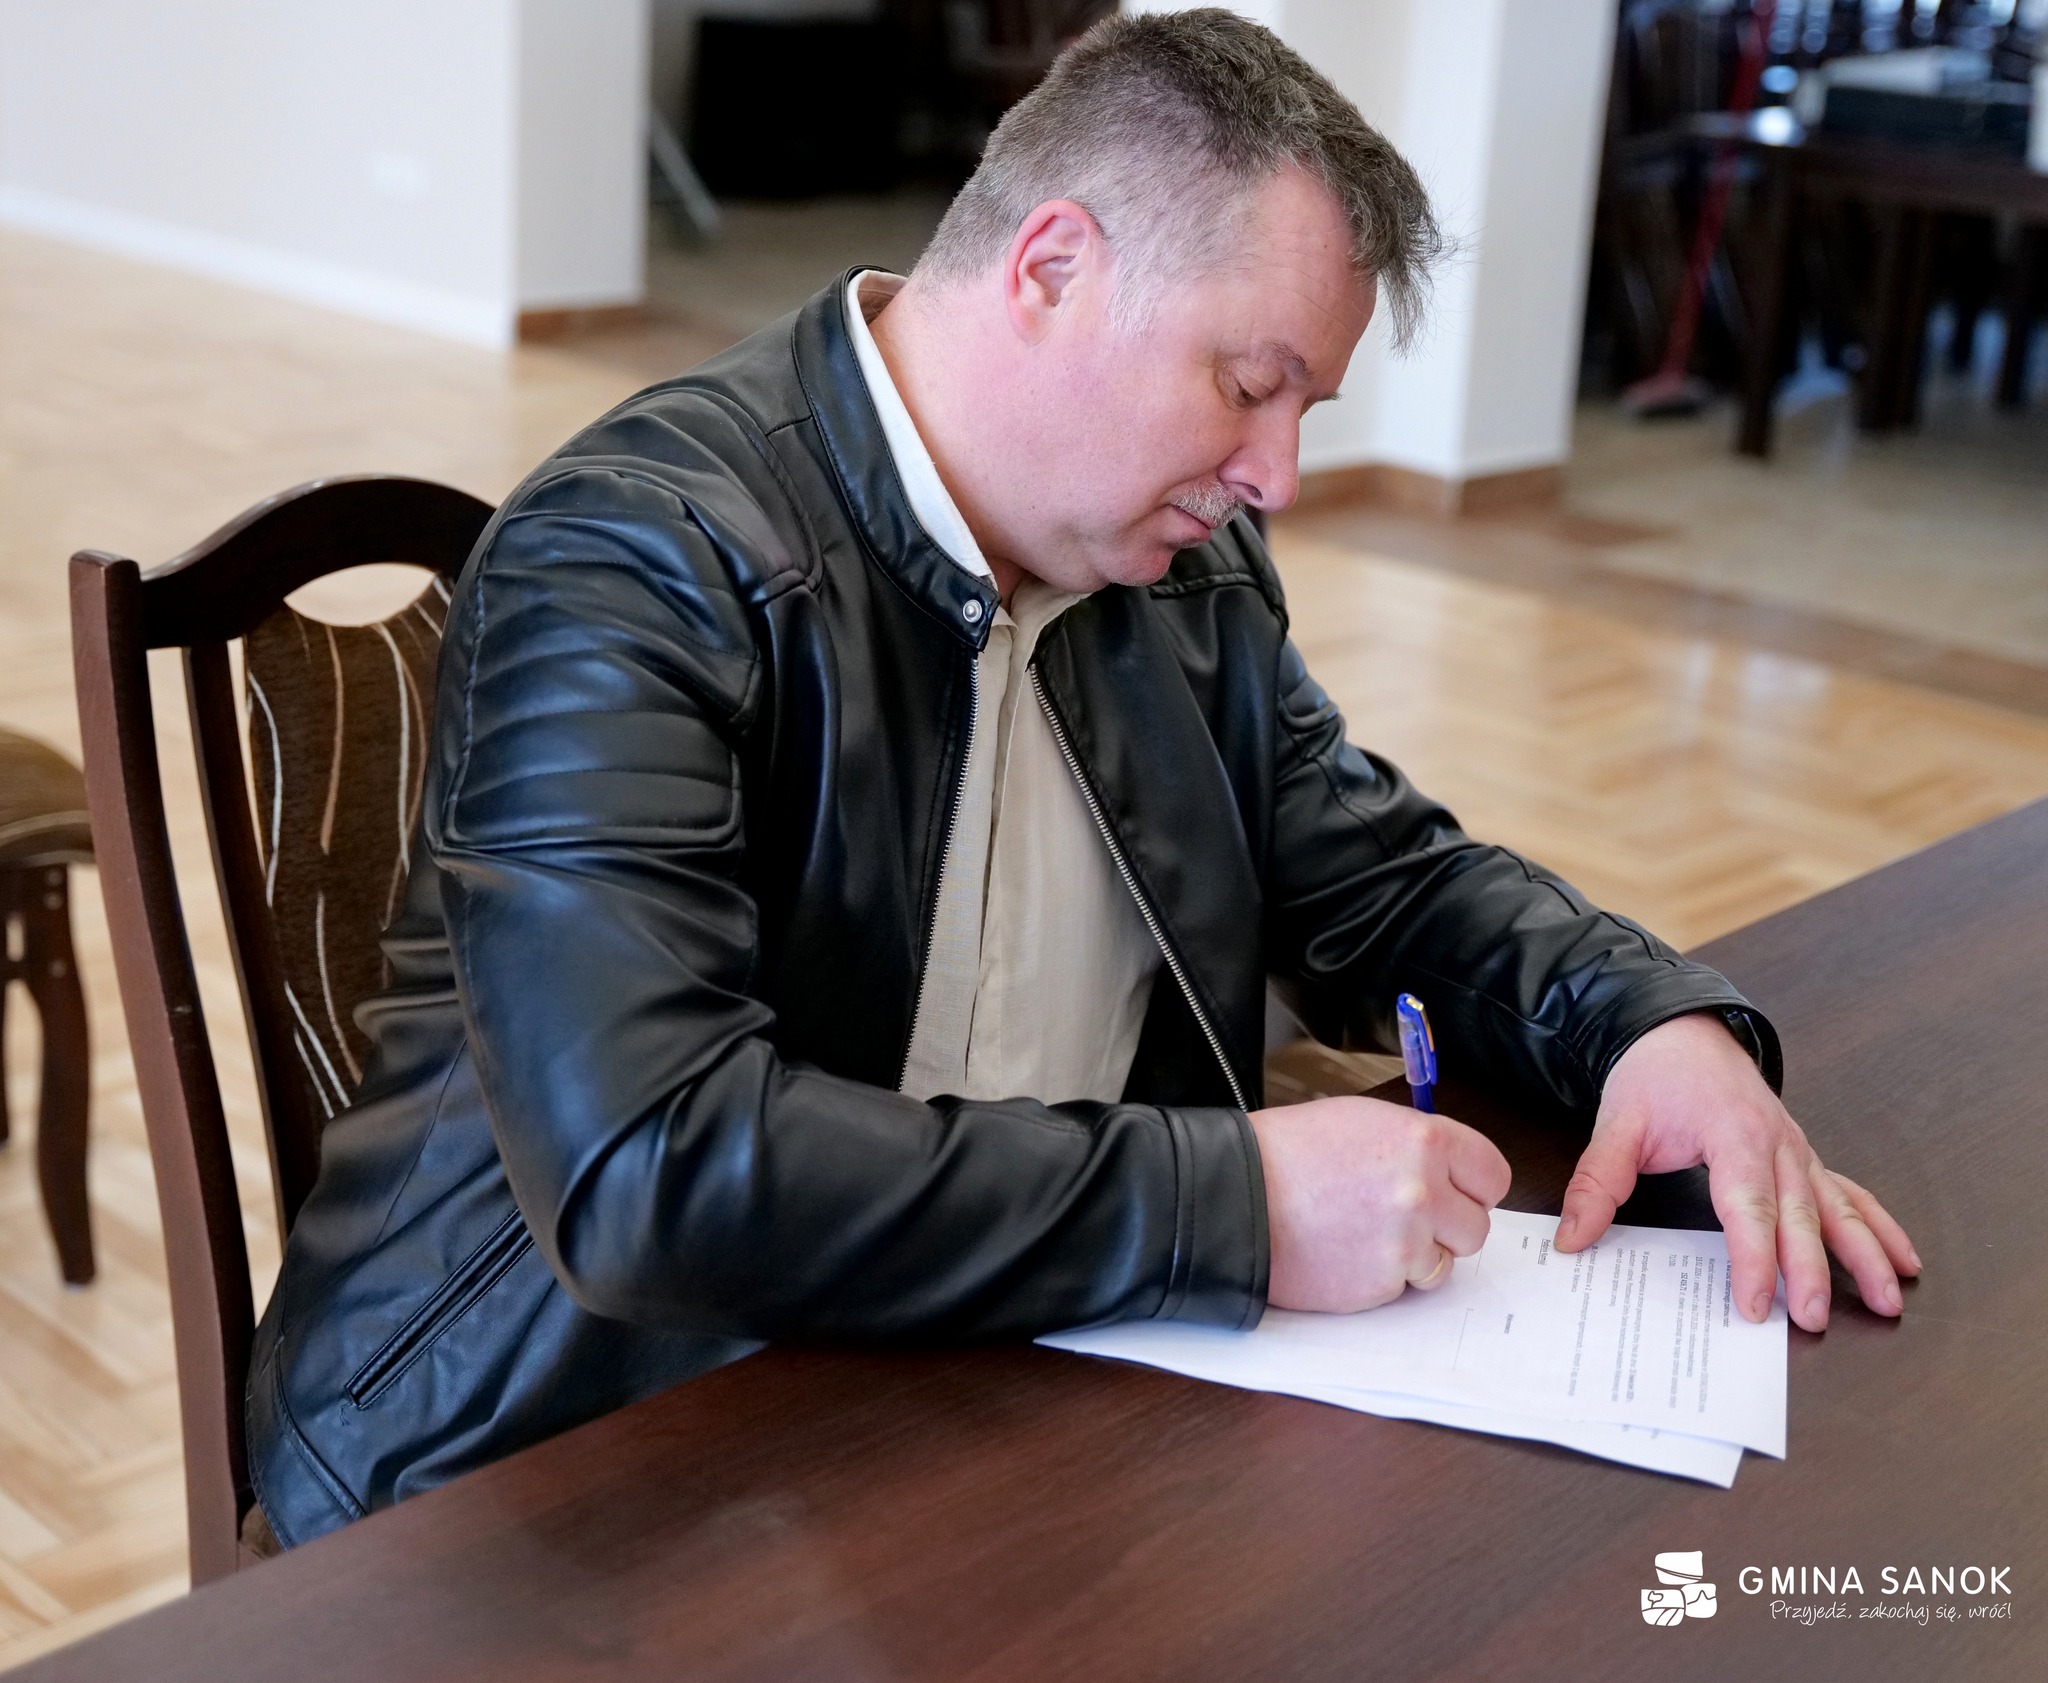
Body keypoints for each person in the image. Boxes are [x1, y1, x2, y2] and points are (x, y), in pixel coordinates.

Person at [244, 9, 1918, 1550]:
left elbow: (1383, 879)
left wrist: (1649, 1023)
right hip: (558, 1450)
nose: (1276, 475)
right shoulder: (640, 558)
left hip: (984, 1364)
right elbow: (650, 1171)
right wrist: (1238, 1203)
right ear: (1050, 267)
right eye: (1250, 385)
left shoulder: (1172, 569)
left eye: (1305, 407)